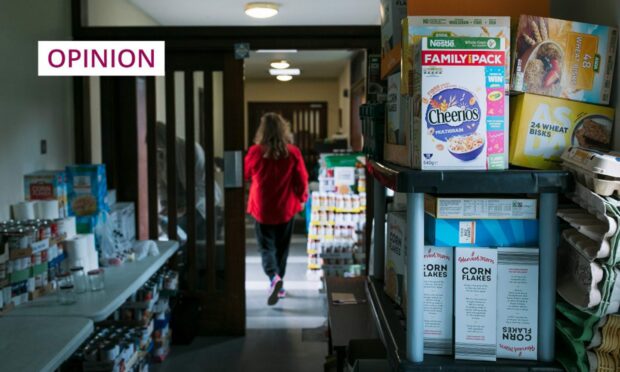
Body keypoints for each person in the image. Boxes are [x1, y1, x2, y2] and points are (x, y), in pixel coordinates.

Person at [245, 113, 309, 306]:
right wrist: (302, 198)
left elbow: (245, 173)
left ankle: (273, 278)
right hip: (285, 208)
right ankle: (279, 281)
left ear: (262, 130)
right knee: (282, 248)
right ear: (284, 129)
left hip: (262, 208)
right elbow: (302, 179)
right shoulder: (293, 152)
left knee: (266, 247)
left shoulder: (256, 152)